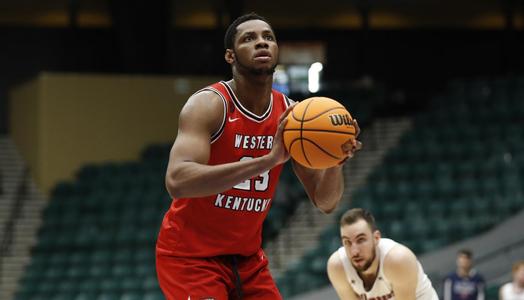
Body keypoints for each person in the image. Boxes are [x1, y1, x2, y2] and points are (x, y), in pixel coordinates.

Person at [155, 12, 361, 300]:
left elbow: (325, 202)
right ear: (230, 56)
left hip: (247, 260)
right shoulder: (209, 105)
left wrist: (335, 161)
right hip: (190, 257)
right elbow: (177, 181)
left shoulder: (294, 116)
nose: (261, 43)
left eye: (268, 38)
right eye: (249, 39)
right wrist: (267, 161)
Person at [327, 208, 439, 300]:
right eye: (347, 242)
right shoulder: (337, 267)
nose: (354, 251)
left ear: (376, 238)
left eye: (360, 240)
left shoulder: (398, 260)